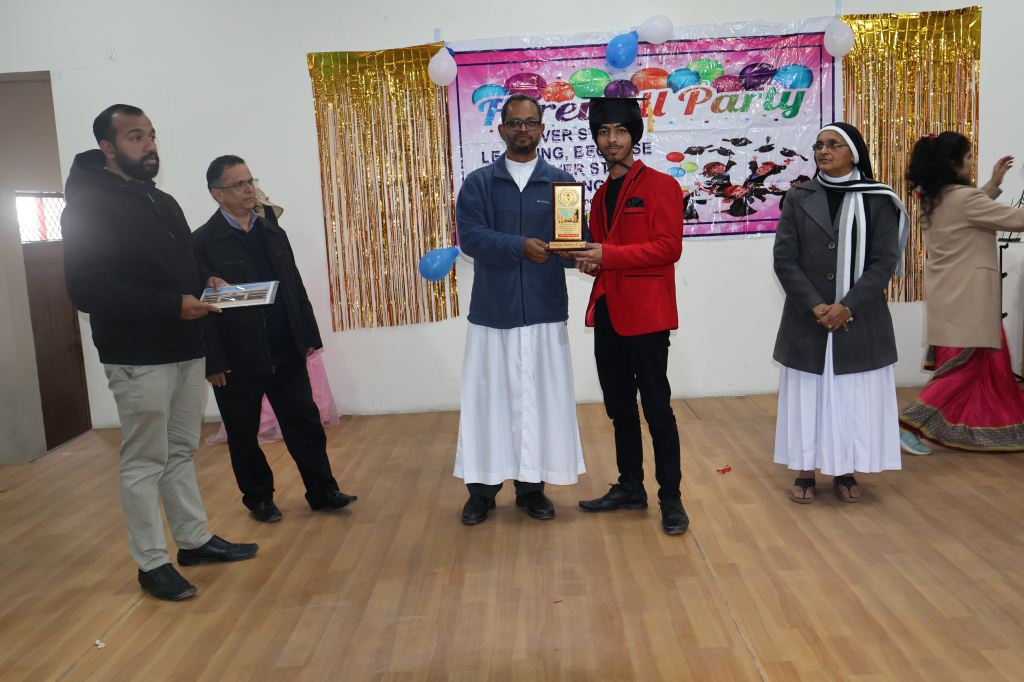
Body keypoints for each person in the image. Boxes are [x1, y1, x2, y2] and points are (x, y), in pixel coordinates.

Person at [62, 105, 258, 602]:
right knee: (145, 460)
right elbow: (87, 289)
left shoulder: (161, 199)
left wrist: (205, 281)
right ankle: (151, 563)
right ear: (108, 147)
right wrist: (173, 305)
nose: (149, 145)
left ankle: (192, 541)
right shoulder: (87, 206)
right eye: (135, 137)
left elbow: (181, 264)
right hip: (137, 354)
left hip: (185, 345)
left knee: (180, 451)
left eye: (150, 135)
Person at [192, 156, 356, 522]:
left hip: (285, 348)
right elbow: (202, 309)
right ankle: (259, 500)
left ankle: (323, 490)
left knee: (305, 424)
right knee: (243, 435)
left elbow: (294, 285)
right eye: (238, 184)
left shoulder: (271, 231)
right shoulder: (202, 242)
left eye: (250, 181)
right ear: (217, 194)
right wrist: (213, 360)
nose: (249, 189)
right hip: (237, 358)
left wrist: (308, 335)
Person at [454, 93, 586, 525]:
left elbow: (571, 244)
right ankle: (482, 491)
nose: (523, 129)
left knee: (540, 404)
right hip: (493, 315)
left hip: (545, 314)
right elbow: (471, 237)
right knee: (488, 403)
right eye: (515, 123)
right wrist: (519, 246)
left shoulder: (562, 184)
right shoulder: (479, 183)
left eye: (530, 122)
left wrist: (580, 256)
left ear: (542, 129)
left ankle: (532, 489)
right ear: (501, 130)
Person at [772, 122, 907, 503]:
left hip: (859, 319)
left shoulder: (878, 199)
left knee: (850, 397)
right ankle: (805, 470)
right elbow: (784, 259)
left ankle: (845, 469)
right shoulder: (799, 197)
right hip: (808, 319)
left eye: (834, 145)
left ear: (854, 153)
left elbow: (884, 262)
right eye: (819, 145)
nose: (823, 151)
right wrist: (816, 305)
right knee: (808, 396)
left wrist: (848, 306)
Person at [573, 97, 688, 535]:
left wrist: (607, 255)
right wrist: (589, 260)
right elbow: (609, 254)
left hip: (647, 314)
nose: (612, 139)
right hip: (608, 311)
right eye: (603, 132)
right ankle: (630, 487)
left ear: (634, 135)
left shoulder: (661, 185)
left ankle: (671, 499)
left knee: (657, 408)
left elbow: (668, 248)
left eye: (620, 131)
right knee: (619, 406)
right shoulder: (600, 195)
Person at [899, 132, 1024, 453]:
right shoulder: (964, 199)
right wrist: (992, 187)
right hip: (970, 299)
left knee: (989, 365)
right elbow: (1014, 219)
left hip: (953, 295)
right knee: (962, 370)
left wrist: (993, 184)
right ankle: (907, 424)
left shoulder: (935, 197)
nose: (972, 163)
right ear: (953, 164)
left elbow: (972, 208)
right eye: (968, 158)